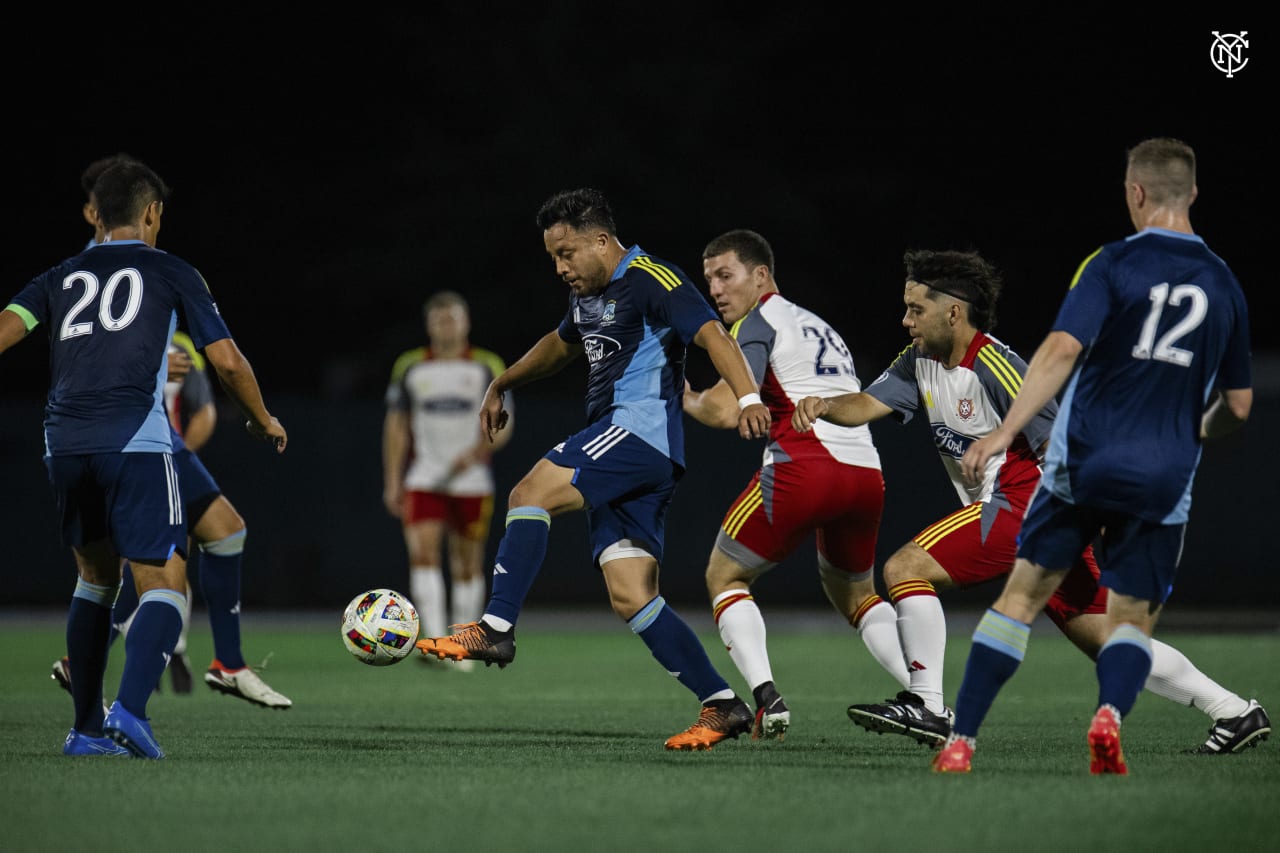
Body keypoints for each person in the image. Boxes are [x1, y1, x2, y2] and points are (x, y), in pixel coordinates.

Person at [791, 244, 1268, 758]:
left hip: (1028, 502)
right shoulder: (919, 361)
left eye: (916, 309)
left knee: (907, 567)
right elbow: (866, 403)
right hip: (1034, 511)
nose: (905, 320)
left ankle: (928, 705)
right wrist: (823, 405)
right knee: (1108, 640)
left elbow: (1061, 441)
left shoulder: (998, 366)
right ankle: (1235, 711)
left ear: (953, 311)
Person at [928, 138, 1258, 774]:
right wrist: (1196, 432)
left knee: (1019, 601)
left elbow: (1058, 349)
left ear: (1135, 193)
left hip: (1085, 460)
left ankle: (962, 740)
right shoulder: (1224, 284)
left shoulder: (1110, 263)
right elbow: (1239, 406)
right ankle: (1108, 718)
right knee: (1129, 622)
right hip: (1163, 474)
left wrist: (1004, 432)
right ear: (1192, 193)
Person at [416, 188, 772, 750]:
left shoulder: (653, 278)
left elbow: (708, 334)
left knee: (529, 491)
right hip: (640, 454)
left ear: (602, 241)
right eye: (553, 257)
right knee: (632, 594)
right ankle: (722, 703)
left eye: (567, 253)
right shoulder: (590, 295)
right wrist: (501, 381)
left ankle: (496, 628)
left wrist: (749, 398)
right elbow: (561, 347)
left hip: (636, 434)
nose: (560, 268)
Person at [2, 159, 287, 758]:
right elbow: (229, 361)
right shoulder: (171, 270)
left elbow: (7, 327)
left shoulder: (60, 273)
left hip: (65, 445)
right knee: (165, 585)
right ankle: (130, 712)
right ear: (153, 213)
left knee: (95, 581)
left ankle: (83, 732)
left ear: (95, 215)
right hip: (135, 441)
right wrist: (263, 420)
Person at [683, 229, 890, 741]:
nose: (715, 288)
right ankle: (928, 699)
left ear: (761, 275)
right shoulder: (820, 325)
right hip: (865, 472)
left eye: (725, 275)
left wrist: (686, 399)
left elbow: (730, 408)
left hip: (805, 466)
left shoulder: (757, 322)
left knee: (724, 576)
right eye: (709, 278)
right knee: (858, 596)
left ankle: (765, 697)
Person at [383, 290, 512, 668]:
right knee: (422, 554)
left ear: (466, 322)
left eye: (453, 318)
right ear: (429, 325)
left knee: (467, 562)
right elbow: (396, 426)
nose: (446, 325)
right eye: (439, 319)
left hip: (471, 480)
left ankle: (464, 645)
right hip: (423, 478)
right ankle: (436, 641)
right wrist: (393, 480)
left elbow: (504, 424)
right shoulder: (410, 366)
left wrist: (474, 454)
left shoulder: (487, 365)